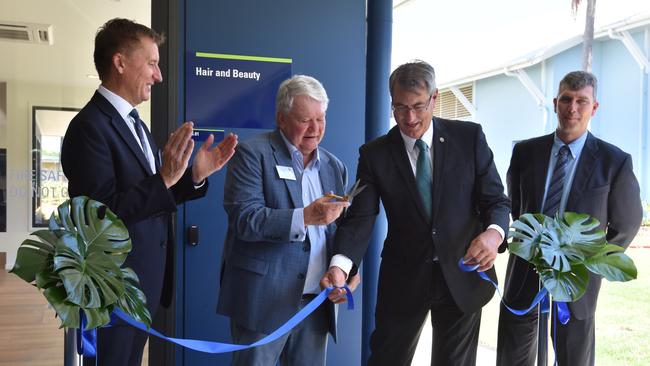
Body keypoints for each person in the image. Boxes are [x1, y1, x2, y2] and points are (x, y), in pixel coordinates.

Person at [61, 18, 238, 366]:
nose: (158, 76)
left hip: (144, 287)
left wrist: (192, 178)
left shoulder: (137, 124)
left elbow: (154, 197)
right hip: (113, 292)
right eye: (153, 63)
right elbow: (100, 217)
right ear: (120, 62)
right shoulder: (88, 128)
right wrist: (165, 178)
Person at [320, 60, 511, 366]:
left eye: (418, 106)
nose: (409, 118)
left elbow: (496, 201)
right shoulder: (374, 154)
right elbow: (361, 217)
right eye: (399, 107)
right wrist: (341, 265)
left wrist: (493, 234)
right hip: (404, 278)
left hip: (463, 275)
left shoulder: (469, 137)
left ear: (435, 98)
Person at [496, 71, 643, 365]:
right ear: (555, 102)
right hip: (525, 274)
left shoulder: (614, 161)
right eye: (566, 99)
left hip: (576, 283)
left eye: (581, 101)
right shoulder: (525, 152)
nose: (572, 108)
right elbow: (516, 205)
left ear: (594, 107)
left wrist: (587, 262)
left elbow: (627, 223)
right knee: (513, 357)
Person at [217, 75, 359, 366]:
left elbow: (343, 230)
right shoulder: (252, 154)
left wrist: (347, 269)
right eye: (305, 120)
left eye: (321, 119)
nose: (315, 129)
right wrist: (305, 217)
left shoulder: (334, 166)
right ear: (281, 118)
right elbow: (245, 219)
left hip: (317, 303)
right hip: (263, 303)